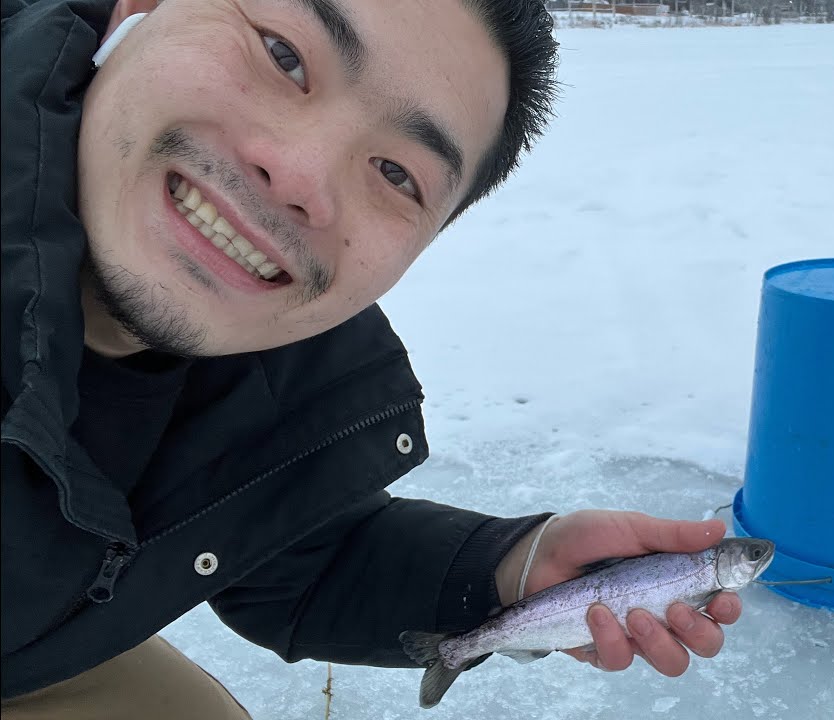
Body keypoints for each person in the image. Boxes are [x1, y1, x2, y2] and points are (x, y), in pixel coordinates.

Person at [0, 0, 744, 717]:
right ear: (141, 8)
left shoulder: (275, 361)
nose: (299, 177)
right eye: (284, 54)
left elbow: (283, 554)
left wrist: (510, 566)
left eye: (396, 173)